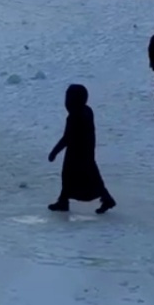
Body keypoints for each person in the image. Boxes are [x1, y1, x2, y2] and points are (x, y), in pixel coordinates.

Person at [47, 84, 116, 215]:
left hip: (76, 151)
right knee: (91, 175)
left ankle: (64, 201)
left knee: (68, 175)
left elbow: (67, 137)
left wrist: (54, 152)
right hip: (87, 149)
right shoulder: (87, 111)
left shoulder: (74, 116)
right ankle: (105, 198)